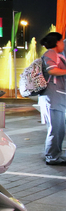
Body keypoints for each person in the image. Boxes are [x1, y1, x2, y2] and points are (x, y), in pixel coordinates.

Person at [39, 32, 66, 165]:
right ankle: (52, 157)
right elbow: (52, 70)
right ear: (56, 42)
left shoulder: (58, 55)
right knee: (55, 128)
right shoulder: (51, 53)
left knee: (59, 128)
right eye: (61, 41)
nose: (63, 44)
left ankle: (55, 155)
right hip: (52, 97)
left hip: (58, 97)